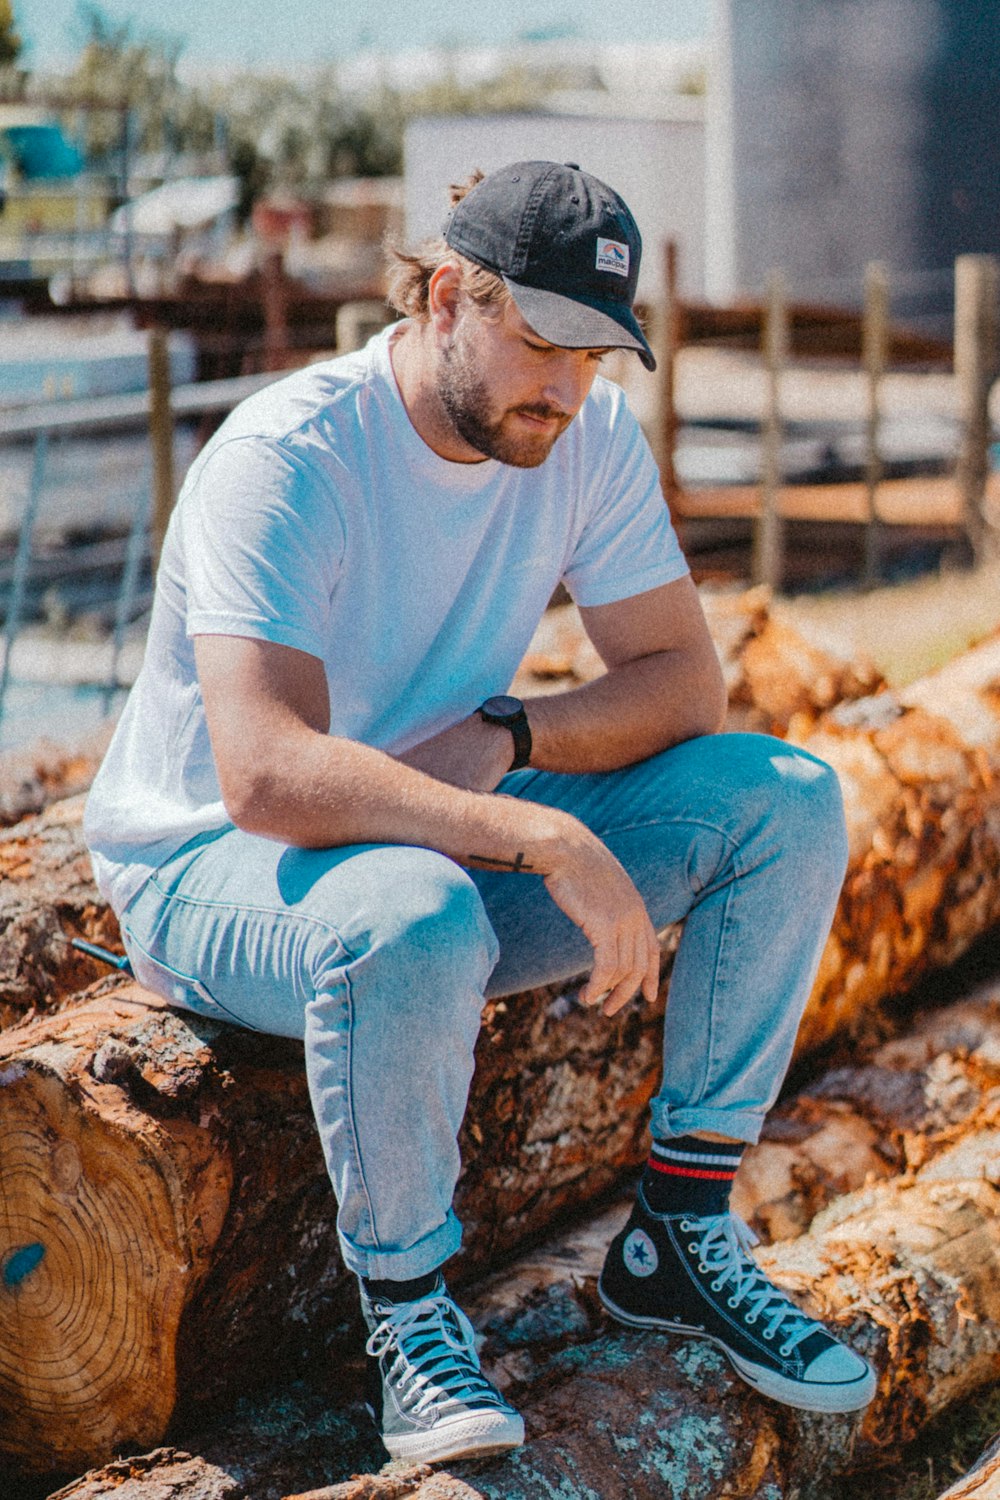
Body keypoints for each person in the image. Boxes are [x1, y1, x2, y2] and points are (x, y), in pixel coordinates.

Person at [83, 160, 876, 1467]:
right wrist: (539, 830)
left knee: (783, 800)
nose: (567, 388)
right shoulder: (291, 454)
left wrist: (516, 737)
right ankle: (405, 1314)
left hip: (434, 851)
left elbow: (686, 680)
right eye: (544, 340)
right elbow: (267, 772)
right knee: (418, 912)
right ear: (450, 294)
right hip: (220, 872)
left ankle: (680, 1231)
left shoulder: (585, 438)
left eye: (598, 354)